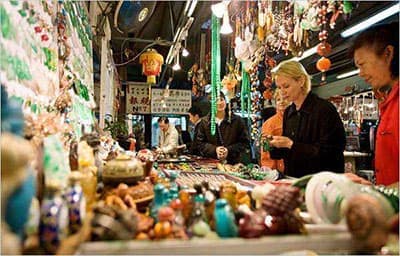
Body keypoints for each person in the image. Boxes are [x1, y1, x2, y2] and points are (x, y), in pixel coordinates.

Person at [269, 60, 346, 178]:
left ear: (301, 81)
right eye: (279, 88)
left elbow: (331, 153)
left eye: (286, 86)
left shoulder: (324, 110)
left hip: (321, 183)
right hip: (293, 179)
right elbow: (287, 153)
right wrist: (273, 146)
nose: (282, 92)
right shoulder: (289, 112)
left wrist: (291, 145)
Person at [349, 22, 399, 186]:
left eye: (362, 64)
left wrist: (379, 196)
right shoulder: (389, 102)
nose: (361, 74)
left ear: (388, 53)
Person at [196, 91, 251, 164]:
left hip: (233, 164)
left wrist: (229, 150)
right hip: (211, 164)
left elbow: (245, 143)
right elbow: (199, 144)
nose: (219, 103)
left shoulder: (237, 120)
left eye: (221, 99)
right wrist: (215, 150)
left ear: (225, 101)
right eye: (215, 101)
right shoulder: (204, 122)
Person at [260, 89, 290, 172]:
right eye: (278, 99)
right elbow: (265, 149)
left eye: (285, 98)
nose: (281, 102)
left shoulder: (298, 118)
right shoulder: (269, 123)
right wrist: (270, 171)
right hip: (278, 170)